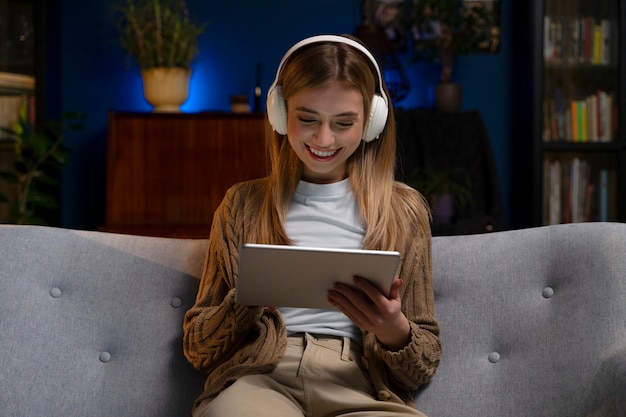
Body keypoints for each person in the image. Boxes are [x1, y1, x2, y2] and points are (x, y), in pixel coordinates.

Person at [183, 34, 441, 417]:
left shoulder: (403, 210)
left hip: (358, 382)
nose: (324, 139)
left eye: (344, 122)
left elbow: (423, 364)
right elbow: (198, 349)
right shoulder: (241, 205)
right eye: (307, 119)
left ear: (372, 122)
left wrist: (394, 331)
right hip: (260, 377)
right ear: (280, 113)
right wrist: (244, 304)